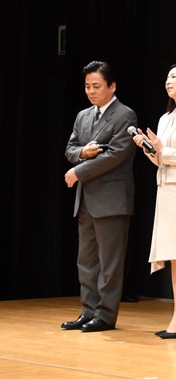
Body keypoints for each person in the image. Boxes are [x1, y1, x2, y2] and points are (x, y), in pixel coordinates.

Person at [62, 61, 136, 332]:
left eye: (96, 86)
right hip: (87, 199)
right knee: (87, 260)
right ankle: (88, 310)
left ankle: (105, 315)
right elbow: (70, 148)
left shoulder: (124, 115)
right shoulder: (83, 115)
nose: (91, 91)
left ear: (112, 86)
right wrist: (83, 153)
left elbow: (116, 154)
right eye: (87, 86)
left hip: (112, 199)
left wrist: (78, 171)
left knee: (110, 263)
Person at [131, 64, 176, 339]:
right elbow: (160, 160)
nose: (168, 81)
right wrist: (149, 149)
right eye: (166, 77)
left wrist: (164, 151)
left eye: (174, 77)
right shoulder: (164, 117)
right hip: (165, 188)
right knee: (175, 256)